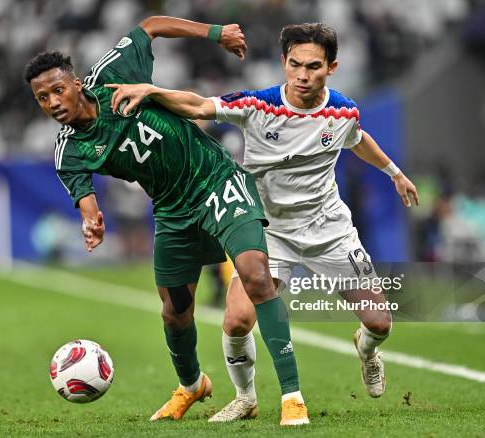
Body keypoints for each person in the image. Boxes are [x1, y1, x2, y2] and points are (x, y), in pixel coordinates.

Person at [105, 22, 419, 421]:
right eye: (294, 65)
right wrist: (152, 91)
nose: (302, 75)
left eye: (313, 67)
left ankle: (367, 349)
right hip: (268, 232)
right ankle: (245, 397)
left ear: (332, 67)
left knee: (380, 323)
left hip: (329, 232)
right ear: (283, 62)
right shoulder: (258, 105)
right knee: (236, 321)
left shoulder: (342, 111)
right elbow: (200, 106)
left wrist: (395, 172)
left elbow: (358, 139)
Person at [23, 16, 309, 426]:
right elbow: (85, 200)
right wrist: (92, 223)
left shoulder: (112, 75)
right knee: (175, 312)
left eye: (57, 90)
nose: (52, 103)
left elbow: (152, 25)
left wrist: (217, 34)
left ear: (76, 84)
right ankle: (192, 385)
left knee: (255, 276)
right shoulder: (68, 152)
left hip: (215, 179)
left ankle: (292, 395)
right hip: (172, 211)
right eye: (42, 98)